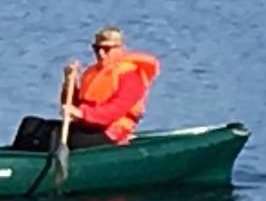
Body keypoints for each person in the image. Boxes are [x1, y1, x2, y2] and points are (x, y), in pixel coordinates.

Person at [9, 26, 159, 151]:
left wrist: (81, 113)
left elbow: (112, 112)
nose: (100, 53)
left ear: (120, 49)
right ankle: (15, 161)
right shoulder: (92, 73)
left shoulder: (131, 76)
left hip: (110, 133)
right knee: (30, 125)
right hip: (85, 127)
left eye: (106, 49)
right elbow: (73, 105)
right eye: (97, 49)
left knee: (54, 136)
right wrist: (70, 82)